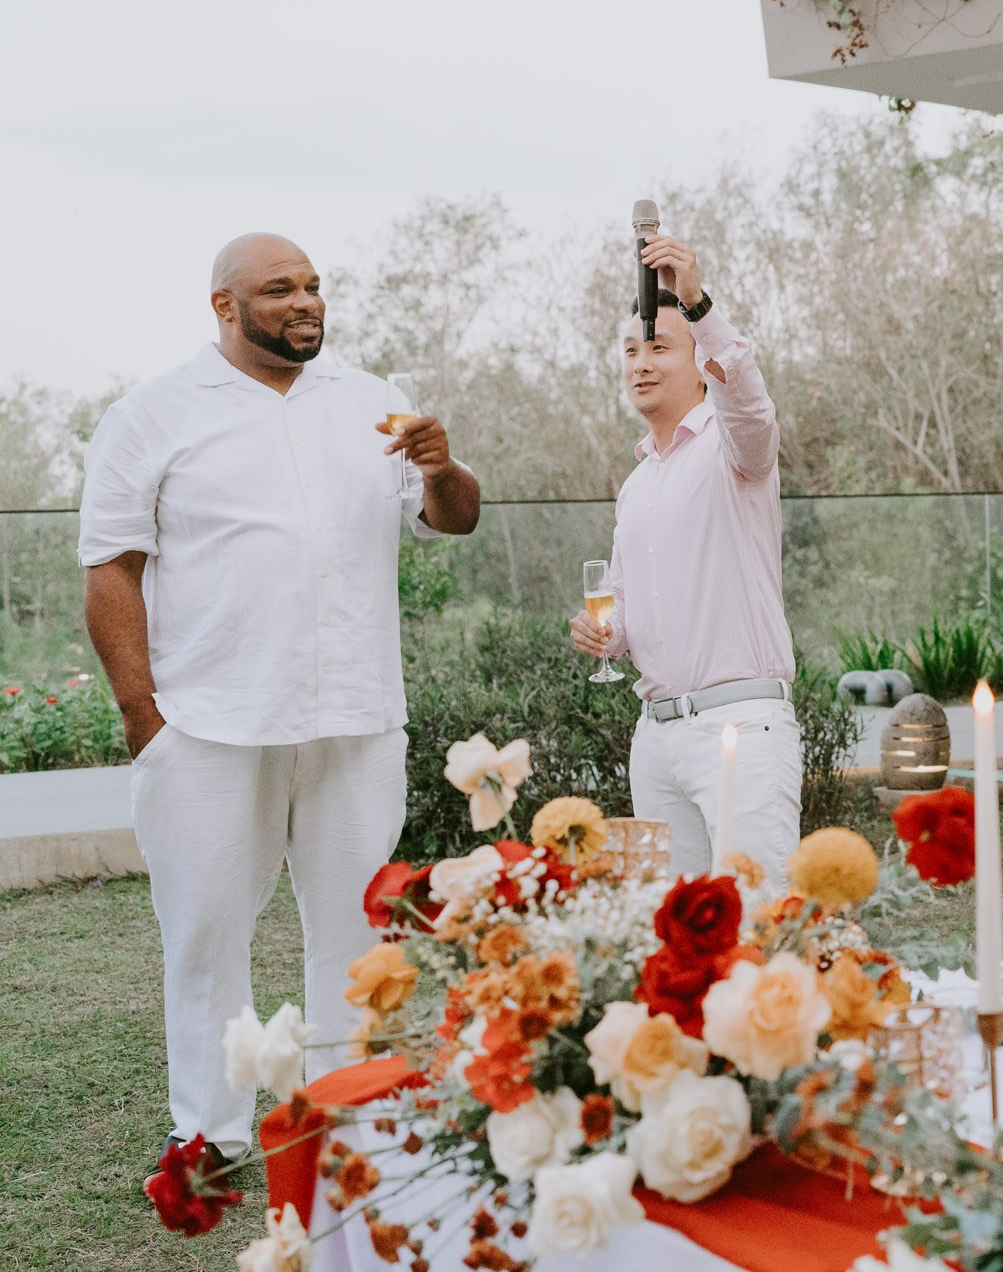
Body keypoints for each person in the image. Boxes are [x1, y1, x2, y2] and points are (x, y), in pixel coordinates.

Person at [80, 233, 480, 1166]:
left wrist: (439, 467)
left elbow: (453, 519)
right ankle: (209, 1131)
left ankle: (348, 1118)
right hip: (210, 726)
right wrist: (146, 720)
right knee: (206, 933)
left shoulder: (373, 401)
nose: (305, 302)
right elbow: (111, 569)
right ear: (224, 305)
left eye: (313, 286)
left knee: (357, 931)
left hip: (358, 718)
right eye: (278, 289)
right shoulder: (152, 414)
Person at [570, 233, 803, 888]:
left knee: (757, 922)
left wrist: (696, 302)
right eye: (631, 350)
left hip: (742, 729)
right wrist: (602, 632)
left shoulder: (737, 447)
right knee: (670, 928)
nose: (640, 363)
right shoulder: (636, 482)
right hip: (655, 739)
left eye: (659, 347)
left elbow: (749, 400)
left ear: (701, 362)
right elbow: (622, 606)